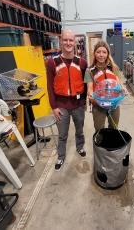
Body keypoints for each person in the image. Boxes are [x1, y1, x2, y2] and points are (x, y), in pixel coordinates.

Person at [46, 29, 87, 171]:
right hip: (61, 105)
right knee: (62, 134)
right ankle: (61, 156)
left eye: (71, 40)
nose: (68, 43)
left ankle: (80, 147)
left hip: (78, 105)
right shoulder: (52, 63)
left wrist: (84, 103)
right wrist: (53, 106)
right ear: (61, 41)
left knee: (79, 130)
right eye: (65, 40)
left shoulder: (82, 63)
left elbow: (87, 84)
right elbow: (50, 87)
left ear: (75, 42)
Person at [84, 40, 124, 132]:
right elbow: (90, 89)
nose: (101, 55)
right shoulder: (89, 70)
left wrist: (123, 89)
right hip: (98, 106)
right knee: (99, 130)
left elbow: (119, 84)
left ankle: (111, 146)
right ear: (94, 53)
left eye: (104, 52)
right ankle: (101, 146)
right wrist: (90, 96)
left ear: (107, 54)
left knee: (114, 129)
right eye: (98, 52)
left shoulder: (114, 68)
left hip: (114, 105)